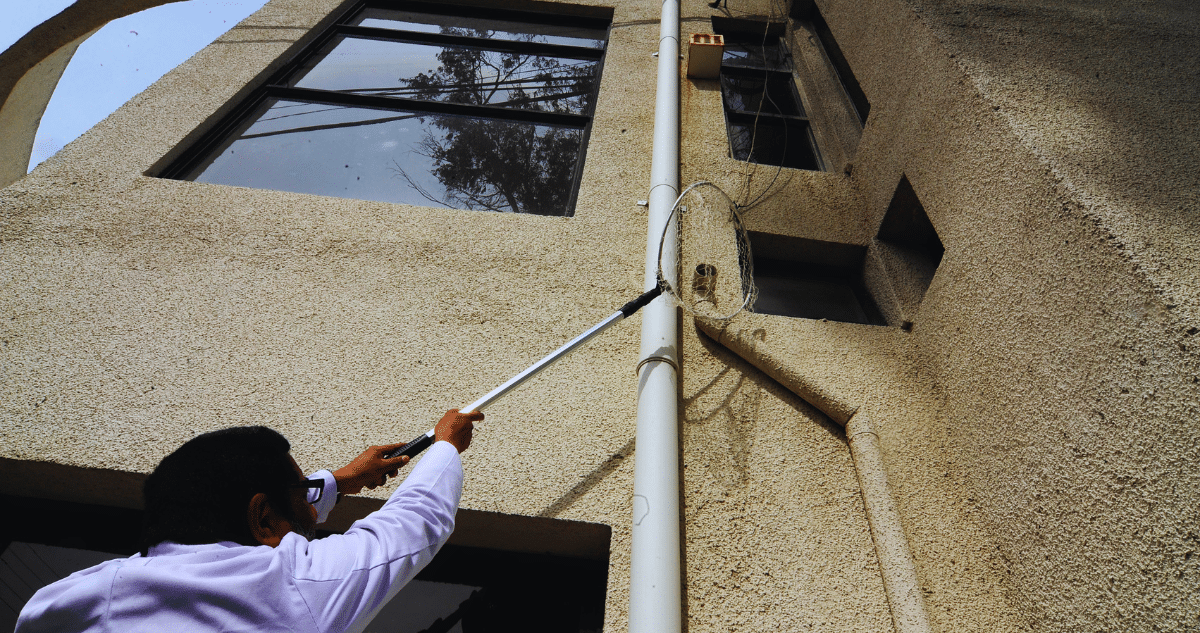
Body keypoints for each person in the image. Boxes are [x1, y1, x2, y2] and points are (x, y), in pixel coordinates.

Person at [15, 408, 483, 633]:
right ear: (261, 517)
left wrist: (340, 480)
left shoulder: (79, 595)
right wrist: (445, 445)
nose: (310, 512)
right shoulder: (293, 586)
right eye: (301, 495)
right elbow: (414, 522)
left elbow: (257, 520)